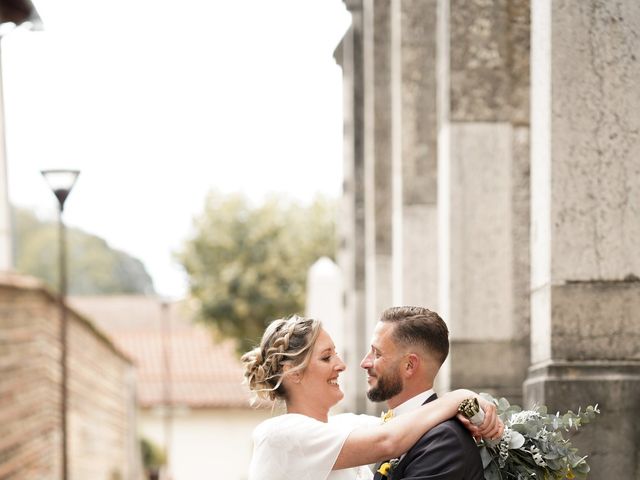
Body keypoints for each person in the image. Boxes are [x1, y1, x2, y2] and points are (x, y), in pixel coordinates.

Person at [242, 314, 503, 480]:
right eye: (326, 357)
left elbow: (408, 421)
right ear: (293, 373)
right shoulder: (279, 435)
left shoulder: (345, 427)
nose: (343, 365)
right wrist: (456, 398)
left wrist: (471, 402)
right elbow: (387, 440)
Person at [361, 306, 485, 479]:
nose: (365, 363)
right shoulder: (394, 427)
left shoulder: (444, 441)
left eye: (377, 354)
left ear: (409, 365)